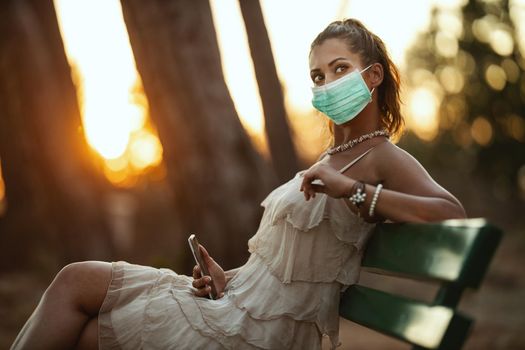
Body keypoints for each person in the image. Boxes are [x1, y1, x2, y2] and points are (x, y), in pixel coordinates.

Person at [11, 18, 466, 350]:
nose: (327, 83)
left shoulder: (381, 156)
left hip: (258, 337)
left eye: (340, 69)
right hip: (236, 307)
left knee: (88, 333)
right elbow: (288, 275)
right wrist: (224, 278)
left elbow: (452, 214)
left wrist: (353, 192)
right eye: (318, 76)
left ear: (373, 75)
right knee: (76, 281)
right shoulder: (329, 158)